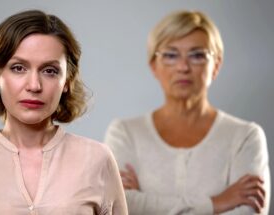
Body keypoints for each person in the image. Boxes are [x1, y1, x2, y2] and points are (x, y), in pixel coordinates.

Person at [0, 9, 127, 215]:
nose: (34, 86)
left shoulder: (97, 159)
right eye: (18, 68)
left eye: (49, 71)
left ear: (67, 82)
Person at [104, 10, 270, 215]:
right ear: (154, 65)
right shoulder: (124, 133)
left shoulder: (246, 136)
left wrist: (144, 203)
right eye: (171, 55)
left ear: (216, 65)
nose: (183, 67)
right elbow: (118, 206)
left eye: (197, 55)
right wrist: (215, 203)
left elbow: (248, 212)